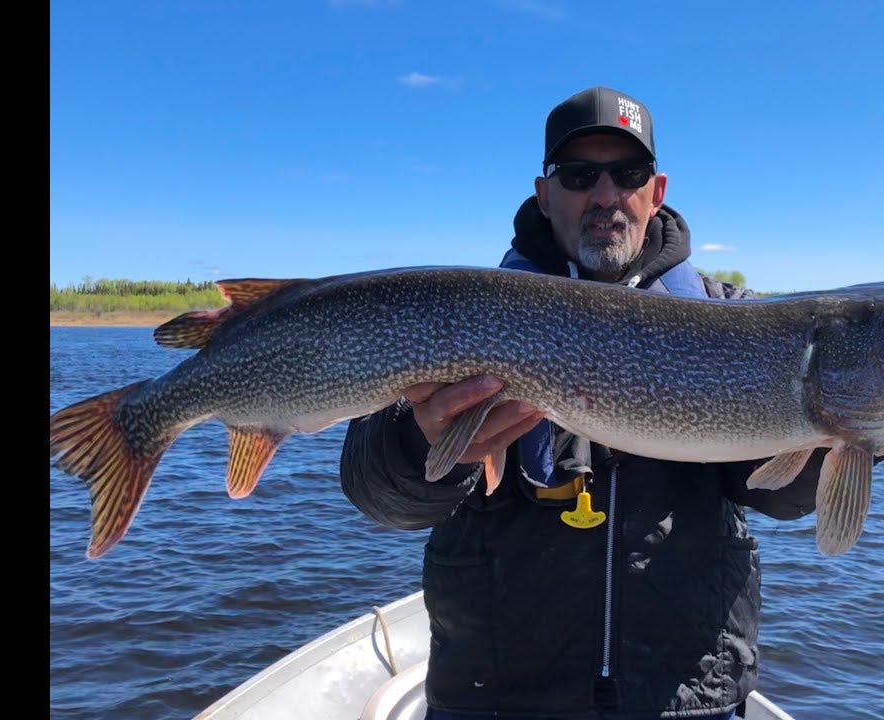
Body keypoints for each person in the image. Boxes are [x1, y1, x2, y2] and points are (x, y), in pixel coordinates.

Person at [340, 86, 843, 719]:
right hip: (495, 695)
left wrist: (848, 431)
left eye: (626, 174)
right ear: (545, 193)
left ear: (655, 191)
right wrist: (421, 442)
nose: (605, 196)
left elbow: (776, 494)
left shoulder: (734, 323)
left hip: (685, 694)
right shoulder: (464, 313)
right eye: (579, 176)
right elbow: (375, 492)